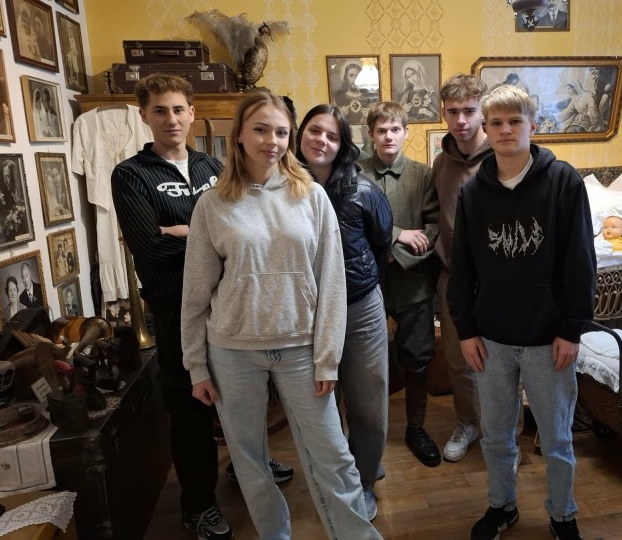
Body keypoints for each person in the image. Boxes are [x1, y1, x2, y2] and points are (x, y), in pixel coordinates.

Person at [181, 91, 382, 540]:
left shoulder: (311, 197)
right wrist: (196, 365)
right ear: (239, 134)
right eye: (260, 130)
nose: (271, 141)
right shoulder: (212, 205)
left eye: (280, 132)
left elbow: (332, 282)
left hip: (300, 348)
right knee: (249, 461)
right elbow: (195, 293)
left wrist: (328, 357)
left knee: (333, 455)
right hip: (232, 352)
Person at [447, 84, 596, 540]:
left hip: (549, 339)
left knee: (556, 438)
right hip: (490, 339)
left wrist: (572, 329)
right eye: (496, 123)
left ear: (533, 125)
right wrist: (465, 329)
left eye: (515, 121)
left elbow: (580, 261)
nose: (506, 130)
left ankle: (563, 515)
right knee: (495, 435)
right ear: (486, 129)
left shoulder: (564, 182)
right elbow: (462, 267)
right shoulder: (473, 192)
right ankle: (501, 506)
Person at [111, 74, 233, 540]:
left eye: (179, 109)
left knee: (238, 395)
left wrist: (180, 231)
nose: (171, 119)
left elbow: (240, 233)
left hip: (226, 303)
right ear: (144, 115)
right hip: (174, 307)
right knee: (189, 409)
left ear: (192, 113)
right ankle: (198, 505)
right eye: (160, 110)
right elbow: (150, 249)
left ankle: (247, 469)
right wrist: (205, 239)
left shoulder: (213, 167)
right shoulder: (131, 175)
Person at [296, 104, 393, 521]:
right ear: (300, 134)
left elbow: (381, 244)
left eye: (332, 136)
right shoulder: (280, 186)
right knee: (320, 405)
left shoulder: (364, 190)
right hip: (306, 314)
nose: (321, 140)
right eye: (314, 131)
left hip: (359, 308)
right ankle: (337, 476)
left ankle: (365, 479)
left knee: (368, 402)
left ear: (343, 145)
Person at [359, 101, 442, 467]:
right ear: (371, 135)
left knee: (418, 356)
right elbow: (351, 223)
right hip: (368, 282)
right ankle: (366, 433)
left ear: (406, 132)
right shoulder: (356, 172)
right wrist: (395, 236)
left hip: (413, 280)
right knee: (364, 361)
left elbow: (434, 228)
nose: (388, 136)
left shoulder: (423, 175)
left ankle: (416, 427)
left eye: (395, 129)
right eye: (381, 130)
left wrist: (399, 255)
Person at [433, 73, 492, 463]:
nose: (461, 120)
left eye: (469, 110)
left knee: (501, 361)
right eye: (453, 112)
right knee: (458, 360)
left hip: (496, 283)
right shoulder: (441, 162)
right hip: (453, 280)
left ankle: (503, 436)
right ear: (444, 113)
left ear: (482, 111)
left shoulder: (502, 156)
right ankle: (468, 422)